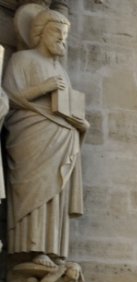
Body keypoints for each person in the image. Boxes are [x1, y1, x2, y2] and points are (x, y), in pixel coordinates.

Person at [3, 7, 87, 263]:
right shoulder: (23, 59)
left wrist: (80, 123)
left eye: (65, 35)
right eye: (57, 33)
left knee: (54, 193)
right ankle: (31, 247)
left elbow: (65, 105)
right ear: (39, 33)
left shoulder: (61, 71)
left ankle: (51, 250)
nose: (62, 39)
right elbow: (10, 96)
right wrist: (43, 87)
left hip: (61, 138)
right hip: (32, 135)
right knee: (35, 191)